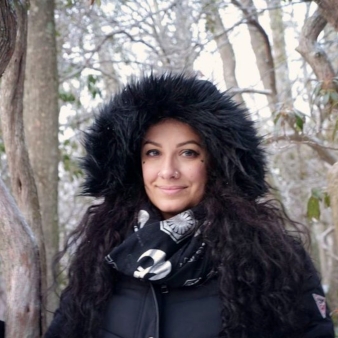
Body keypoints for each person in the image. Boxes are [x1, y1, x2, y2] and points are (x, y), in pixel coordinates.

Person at [46, 73, 335, 338]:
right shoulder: (102, 252)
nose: (168, 170)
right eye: (153, 152)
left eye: (188, 152)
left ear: (214, 162)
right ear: (136, 163)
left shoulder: (272, 256)